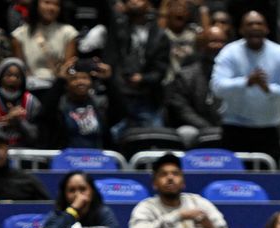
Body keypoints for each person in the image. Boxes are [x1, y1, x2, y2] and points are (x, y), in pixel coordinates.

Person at [210, 11, 280, 166]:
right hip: (234, 130)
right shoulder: (229, 52)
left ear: (267, 29)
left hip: (268, 131)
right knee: (233, 184)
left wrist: (268, 89)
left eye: (259, 23)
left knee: (269, 185)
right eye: (250, 24)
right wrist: (246, 82)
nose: (255, 27)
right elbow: (217, 87)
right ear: (241, 30)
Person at [129, 153, 235, 228]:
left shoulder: (199, 203)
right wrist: (178, 215)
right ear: (154, 183)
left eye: (175, 174)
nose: (170, 178)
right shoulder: (146, 208)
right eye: (163, 174)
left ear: (183, 182)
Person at [107, 0, 170, 138]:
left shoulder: (159, 35)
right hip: (119, 96)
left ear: (149, 5)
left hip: (147, 97)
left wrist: (143, 79)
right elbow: (112, 59)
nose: (134, 2)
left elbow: (161, 70)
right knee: (116, 138)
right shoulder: (117, 28)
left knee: (154, 139)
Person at [166, 25, 227, 147]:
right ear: (202, 46)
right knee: (186, 133)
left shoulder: (235, 74)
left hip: (227, 126)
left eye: (222, 42)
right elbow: (183, 110)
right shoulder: (185, 75)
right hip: (197, 128)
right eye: (213, 42)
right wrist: (208, 128)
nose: (219, 46)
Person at [38, 57, 112, 149]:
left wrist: (109, 81)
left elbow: (121, 112)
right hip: (68, 160)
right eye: (74, 79)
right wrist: (60, 79)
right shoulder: (60, 106)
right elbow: (45, 113)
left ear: (91, 83)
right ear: (67, 84)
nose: (80, 82)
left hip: (97, 159)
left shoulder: (99, 104)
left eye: (85, 78)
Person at [11, 0, 77, 88]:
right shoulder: (19, 35)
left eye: (56, 4)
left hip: (58, 85)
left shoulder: (68, 32)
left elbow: (68, 67)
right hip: (31, 86)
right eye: (47, 2)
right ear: (36, 5)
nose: (52, 8)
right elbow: (20, 69)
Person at [42, 171, 120, 228]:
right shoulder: (58, 213)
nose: (77, 194)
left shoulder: (103, 212)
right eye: (72, 190)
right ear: (64, 194)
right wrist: (73, 210)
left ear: (92, 191)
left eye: (83, 189)